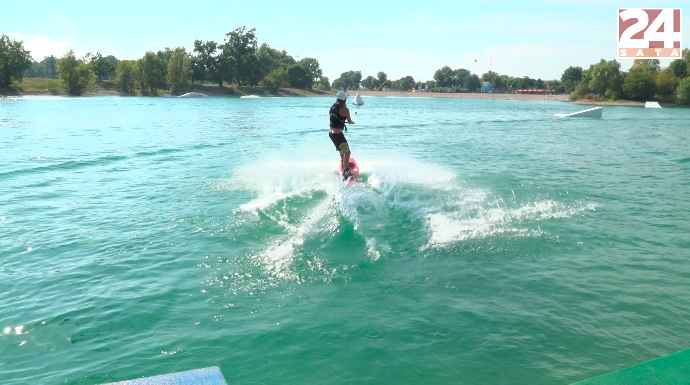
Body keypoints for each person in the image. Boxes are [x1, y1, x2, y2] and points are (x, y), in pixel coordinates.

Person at [329, 91, 355, 179]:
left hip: (331, 134)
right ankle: (346, 171)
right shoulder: (345, 109)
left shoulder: (333, 106)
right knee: (347, 152)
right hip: (338, 135)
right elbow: (350, 121)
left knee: (341, 149)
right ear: (344, 99)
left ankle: (344, 162)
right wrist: (351, 121)